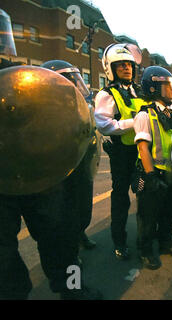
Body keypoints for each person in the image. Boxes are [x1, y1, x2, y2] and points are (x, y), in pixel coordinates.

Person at [0, 8, 101, 299]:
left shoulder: (21, 75)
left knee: (61, 237)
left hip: (38, 170)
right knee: (2, 258)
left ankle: (72, 288)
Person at [41, 60, 100, 252]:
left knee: (83, 207)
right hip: (59, 170)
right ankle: (71, 245)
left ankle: (80, 232)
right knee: (65, 211)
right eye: (68, 81)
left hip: (82, 163)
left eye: (75, 80)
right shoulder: (44, 111)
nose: (74, 85)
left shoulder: (82, 107)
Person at [94, 43, 147, 260]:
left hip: (141, 152)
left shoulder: (140, 91)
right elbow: (104, 124)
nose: (127, 68)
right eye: (121, 65)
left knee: (145, 195)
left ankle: (145, 239)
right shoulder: (106, 94)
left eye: (129, 65)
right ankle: (119, 241)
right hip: (121, 156)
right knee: (121, 200)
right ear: (111, 68)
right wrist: (133, 123)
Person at [133, 66, 172, 270]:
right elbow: (143, 148)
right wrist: (150, 176)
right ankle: (145, 251)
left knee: (170, 212)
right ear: (153, 88)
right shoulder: (145, 115)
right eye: (166, 85)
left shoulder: (171, 115)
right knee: (148, 217)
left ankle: (166, 243)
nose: (171, 90)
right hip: (153, 173)